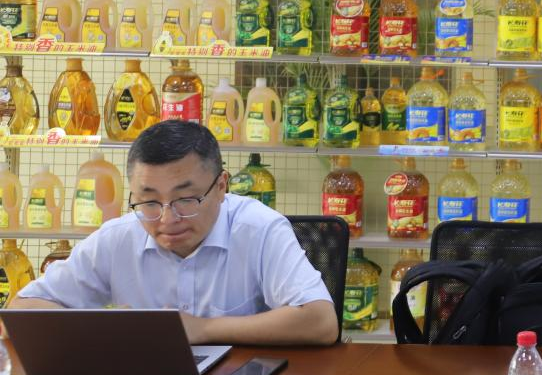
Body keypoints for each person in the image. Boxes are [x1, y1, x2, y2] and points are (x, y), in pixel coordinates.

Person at [12, 120, 337, 345]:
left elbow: (321, 322)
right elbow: (19, 312)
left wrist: (202, 329)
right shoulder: (118, 237)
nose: (168, 218)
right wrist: (104, 327)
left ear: (221, 187)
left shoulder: (259, 229)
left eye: (186, 199)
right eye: (149, 201)